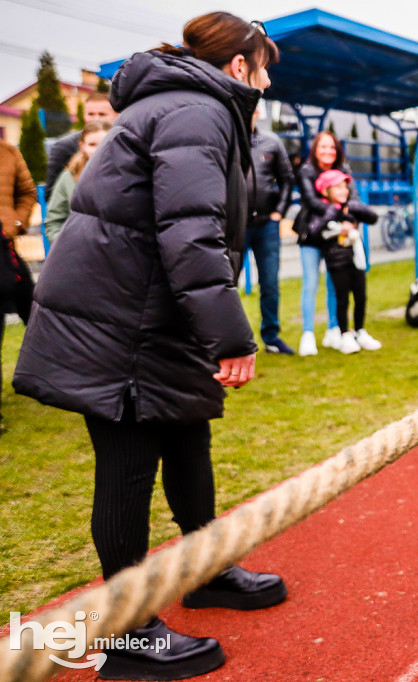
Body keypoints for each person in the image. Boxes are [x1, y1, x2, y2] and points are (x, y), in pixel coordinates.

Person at [14, 13, 286, 680]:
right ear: (238, 66)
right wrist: (230, 335)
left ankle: (205, 571)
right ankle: (124, 636)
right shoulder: (197, 110)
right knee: (129, 465)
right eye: (264, 63)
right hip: (119, 325)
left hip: (150, 318)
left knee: (188, 438)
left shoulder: (198, 105)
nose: (269, 77)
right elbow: (189, 234)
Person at [291, 130, 352, 356]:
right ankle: (307, 334)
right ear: (315, 150)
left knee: (335, 283)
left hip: (336, 237)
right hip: (312, 235)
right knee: (311, 282)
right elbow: (311, 201)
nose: (328, 151)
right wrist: (337, 209)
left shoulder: (344, 170)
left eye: (332, 147)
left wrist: (348, 217)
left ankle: (333, 329)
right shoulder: (307, 171)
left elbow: (352, 198)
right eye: (323, 147)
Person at [309, 169, 382, 353]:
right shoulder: (324, 210)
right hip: (337, 262)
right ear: (326, 191)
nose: (343, 191)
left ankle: (360, 331)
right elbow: (316, 231)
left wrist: (353, 208)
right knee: (342, 299)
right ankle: (344, 334)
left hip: (357, 261)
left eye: (345, 187)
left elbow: (372, 217)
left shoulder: (351, 207)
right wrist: (338, 219)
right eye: (337, 187)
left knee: (361, 297)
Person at [245, 107, 295, 355]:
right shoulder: (225, 139)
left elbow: (287, 180)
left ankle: (271, 337)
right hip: (235, 226)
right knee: (225, 284)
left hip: (266, 225)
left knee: (270, 283)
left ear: (257, 114)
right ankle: (227, 342)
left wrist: (279, 213)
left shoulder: (271, 142)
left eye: (252, 110)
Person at [0, 139, 37, 431]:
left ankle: (59, 378)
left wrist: (15, 222)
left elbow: (27, 192)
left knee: (38, 312)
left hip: (5, 250)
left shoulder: (8, 151)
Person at [43, 119, 112, 244]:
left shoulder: (128, 172)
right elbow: (54, 219)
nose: (98, 149)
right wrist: (66, 245)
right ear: (82, 146)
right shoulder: (69, 177)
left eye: (103, 143)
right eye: (92, 144)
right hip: (82, 252)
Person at [44, 92, 117, 202]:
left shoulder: (124, 142)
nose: (96, 118)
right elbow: (51, 193)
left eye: (102, 114)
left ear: (115, 115)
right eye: (91, 114)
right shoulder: (64, 147)